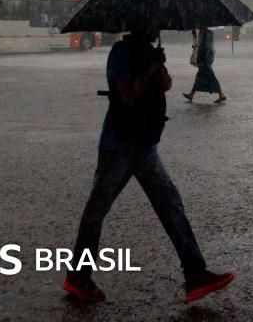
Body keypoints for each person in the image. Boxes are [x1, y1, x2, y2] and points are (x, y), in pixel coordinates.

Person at [63, 23, 235, 305]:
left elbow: (162, 87)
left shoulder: (148, 51)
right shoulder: (120, 53)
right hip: (119, 146)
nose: (157, 28)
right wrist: (152, 67)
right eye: (153, 23)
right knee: (96, 212)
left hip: (144, 146)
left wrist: (161, 72)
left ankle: (195, 274)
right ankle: (78, 277)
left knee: (171, 205)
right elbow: (127, 96)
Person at [182, 29, 226, 104]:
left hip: (205, 60)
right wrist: (195, 36)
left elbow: (205, 47)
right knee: (199, 77)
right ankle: (191, 94)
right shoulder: (207, 31)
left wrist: (201, 60)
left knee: (211, 77)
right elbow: (201, 44)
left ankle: (221, 94)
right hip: (205, 59)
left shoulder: (206, 32)